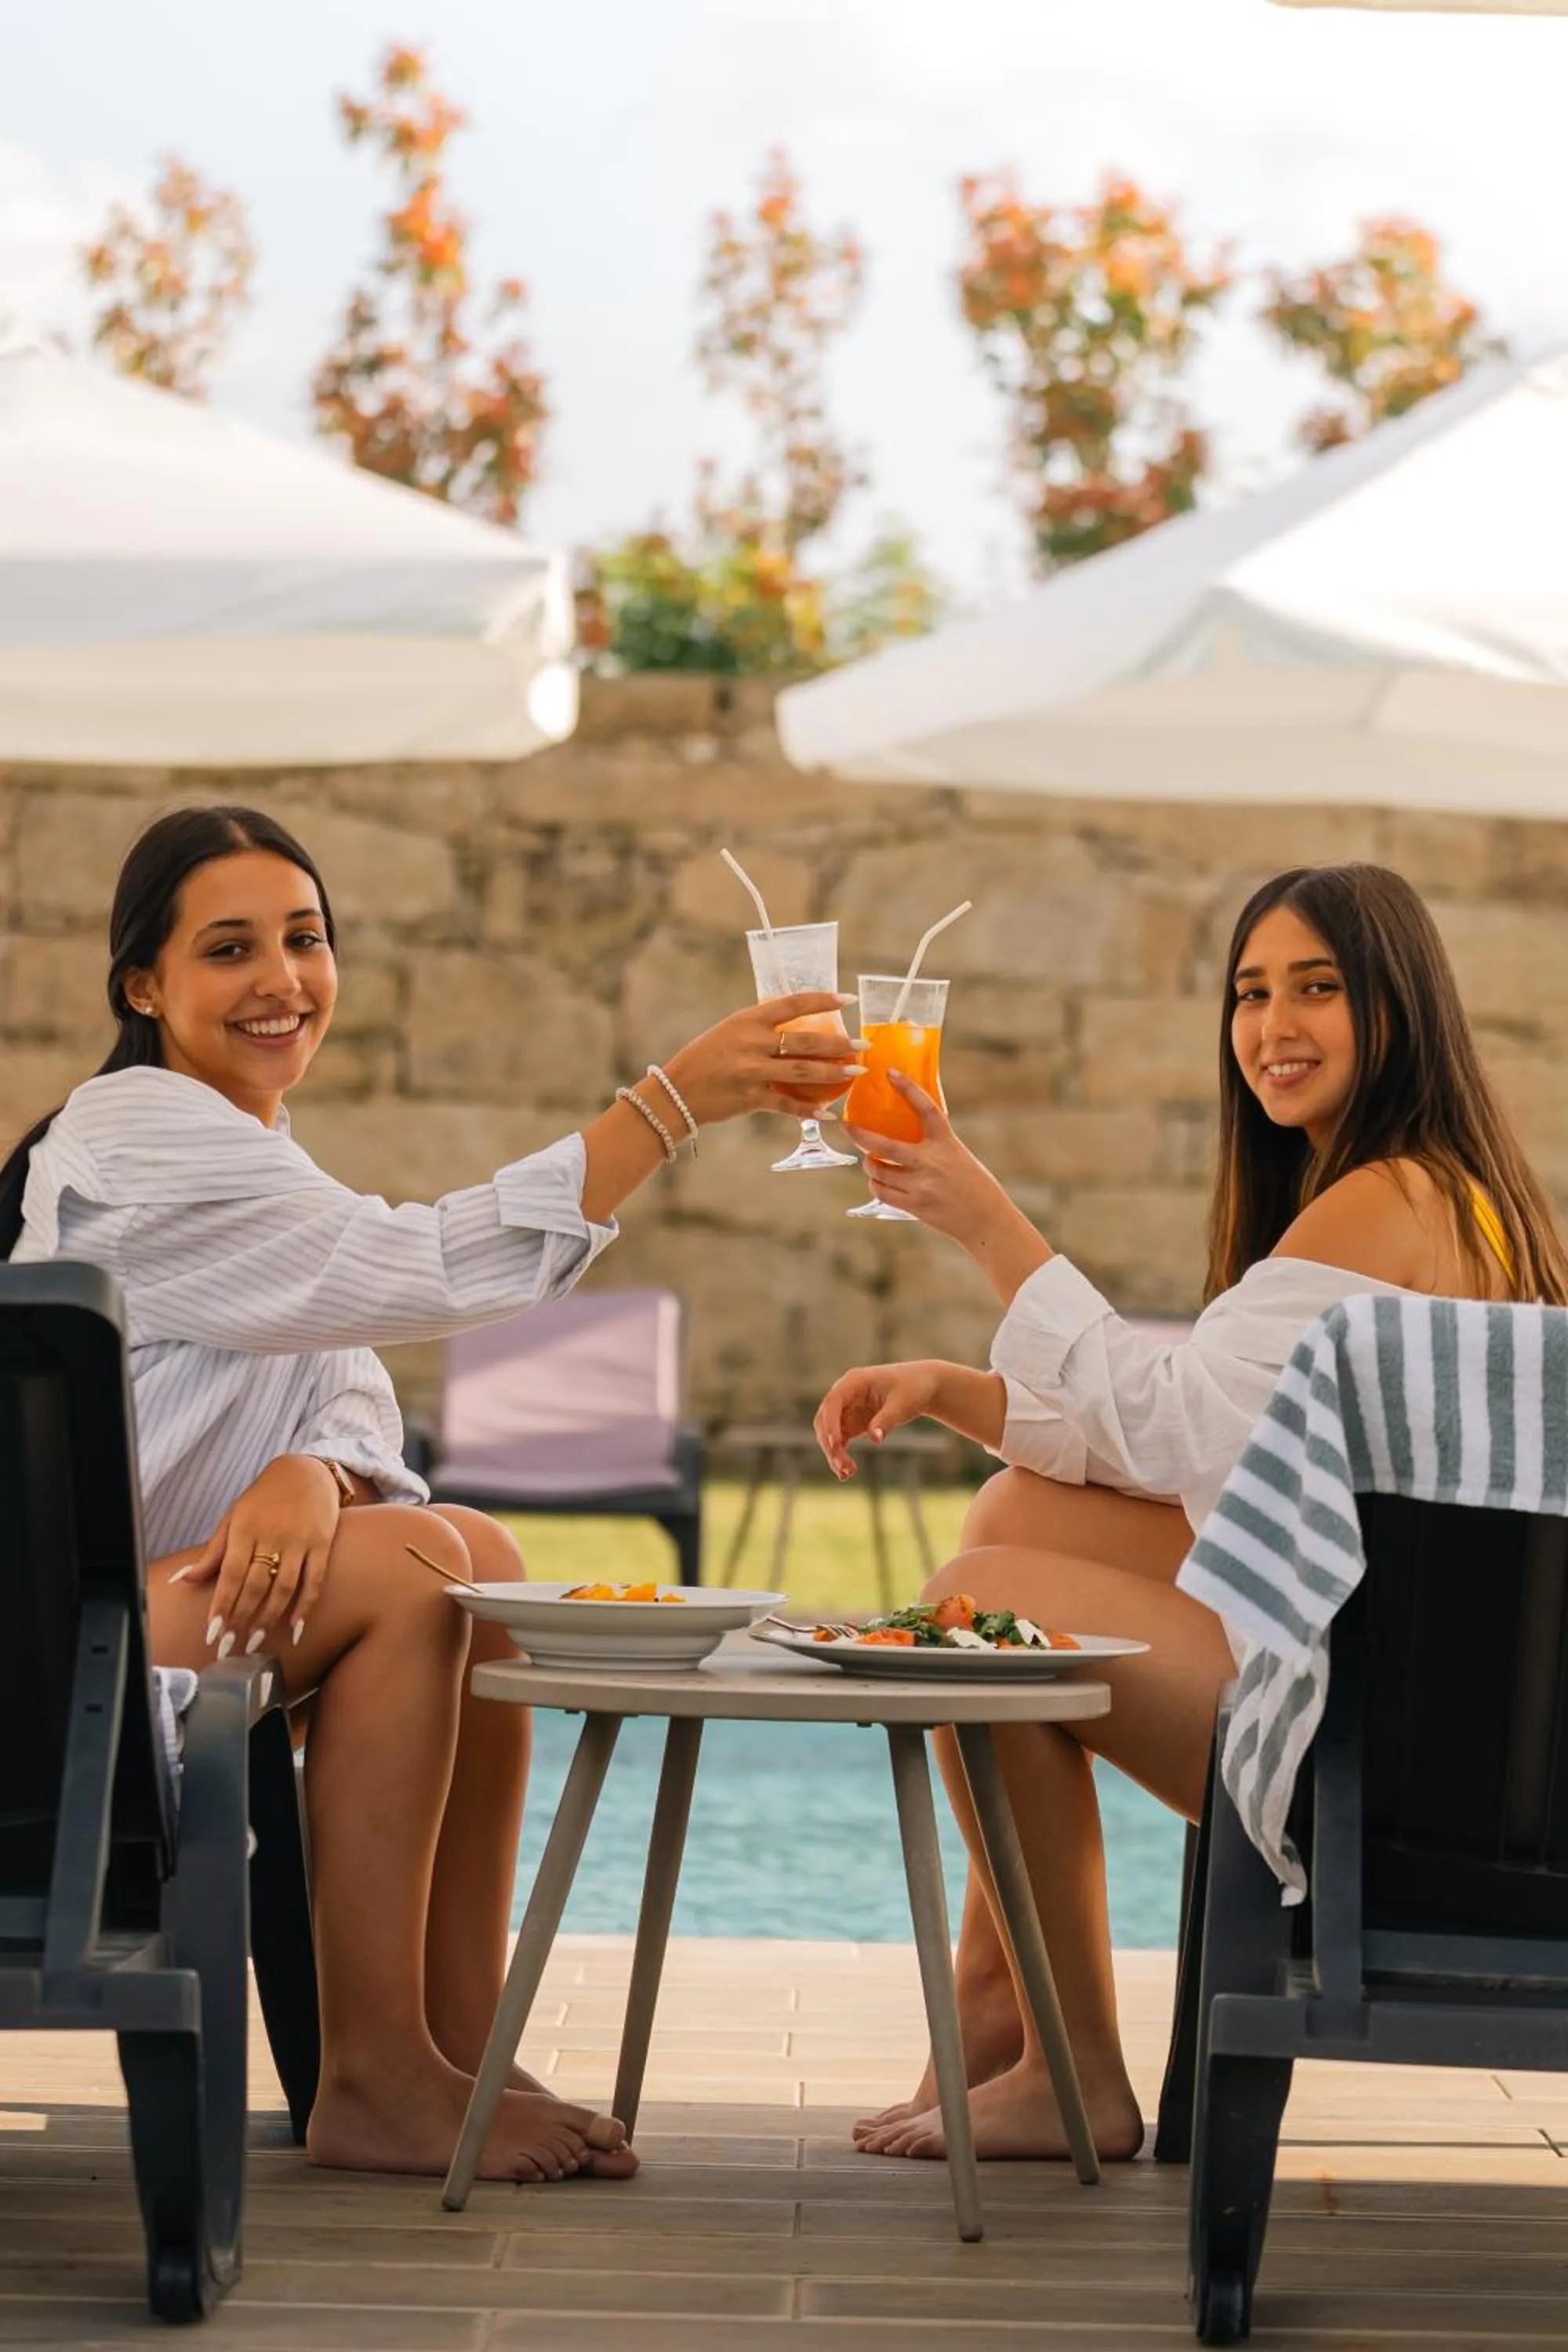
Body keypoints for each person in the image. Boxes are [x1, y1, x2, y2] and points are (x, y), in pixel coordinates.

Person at [0, 803, 860, 2186]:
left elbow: (353, 1374)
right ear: (143, 988)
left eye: (306, 938)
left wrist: (315, 1471)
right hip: (53, 1668)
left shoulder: (251, 1159)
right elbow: (428, 1270)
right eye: (230, 949)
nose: (283, 978)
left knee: (474, 1551)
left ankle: (459, 2038)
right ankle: (375, 2077)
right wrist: (677, 1100)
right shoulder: (142, 1136)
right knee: (420, 1573)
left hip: (127, 1620)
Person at [814, 862, 1568, 2165]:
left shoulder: (1388, 1202)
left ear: (1403, 1008)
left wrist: (983, 1218)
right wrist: (960, 1392)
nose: (1275, 1026)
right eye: (1251, 993)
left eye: (1319, 990)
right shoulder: (1455, 1193)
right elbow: (1205, 1443)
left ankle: (1069, 2074)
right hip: (1440, 1728)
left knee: (972, 1605)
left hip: (1374, 1770)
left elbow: (1177, 1431)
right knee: (1011, 1517)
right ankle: (1005, 2015)